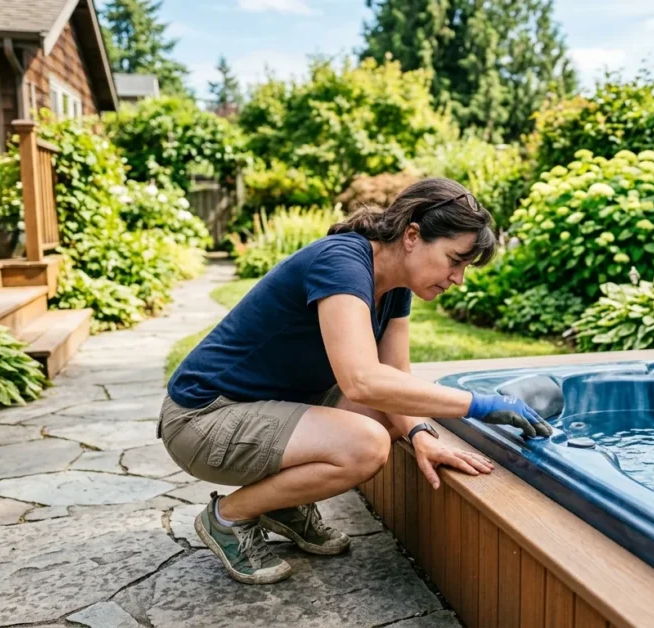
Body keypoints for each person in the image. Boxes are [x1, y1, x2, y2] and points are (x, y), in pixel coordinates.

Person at [159, 178, 553, 585]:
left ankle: (283, 506)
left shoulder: (396, 285)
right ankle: (229, 517)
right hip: (202, 418)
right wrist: (479, 404)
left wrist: (420, 434)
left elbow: (394, 378)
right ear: (412, 235)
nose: (459, 278)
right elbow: (362, 381)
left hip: (257, 410)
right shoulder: (342, 261)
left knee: (383, 417)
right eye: (455, 260)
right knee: (366, 444)